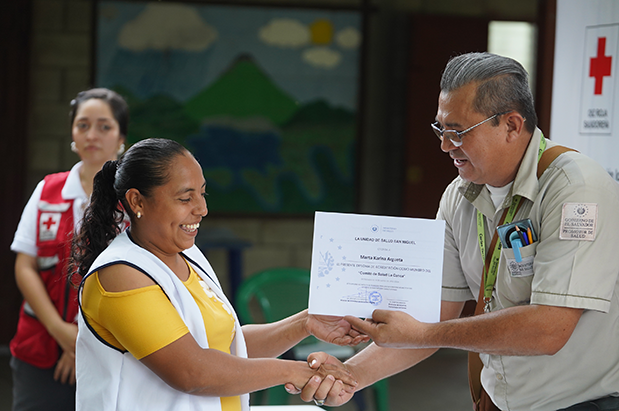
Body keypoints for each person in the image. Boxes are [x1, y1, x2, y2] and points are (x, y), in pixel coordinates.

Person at [296, 52, 619, 411]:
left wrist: (423, 335)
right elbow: (435, 314)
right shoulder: (459, 195)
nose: (445, 146)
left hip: (583, 404)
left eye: (458, 132)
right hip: (499, 401)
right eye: (440, 129)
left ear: (512, 125)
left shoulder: (576, 189)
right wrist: (350, 374)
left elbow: (549, 328)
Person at [70, 137, 363, 411]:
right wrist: (297, 372)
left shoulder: (187, 255)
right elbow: (193, 371)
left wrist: (305, 323)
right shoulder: (120, 274)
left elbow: (226, 347)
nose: (202, 209)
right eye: (186, 199)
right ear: (136, 202)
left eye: (202, 193)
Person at [9, 88, 128, 411]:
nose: (92, 135)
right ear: (73, 134)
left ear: (121, 137)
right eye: (83, 125)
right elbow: (25, 265)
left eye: (104, 126)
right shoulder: (48, 190)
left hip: (113, 349)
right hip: (41, 345)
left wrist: (82, 342)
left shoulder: (132, 198)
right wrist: (61, 332)